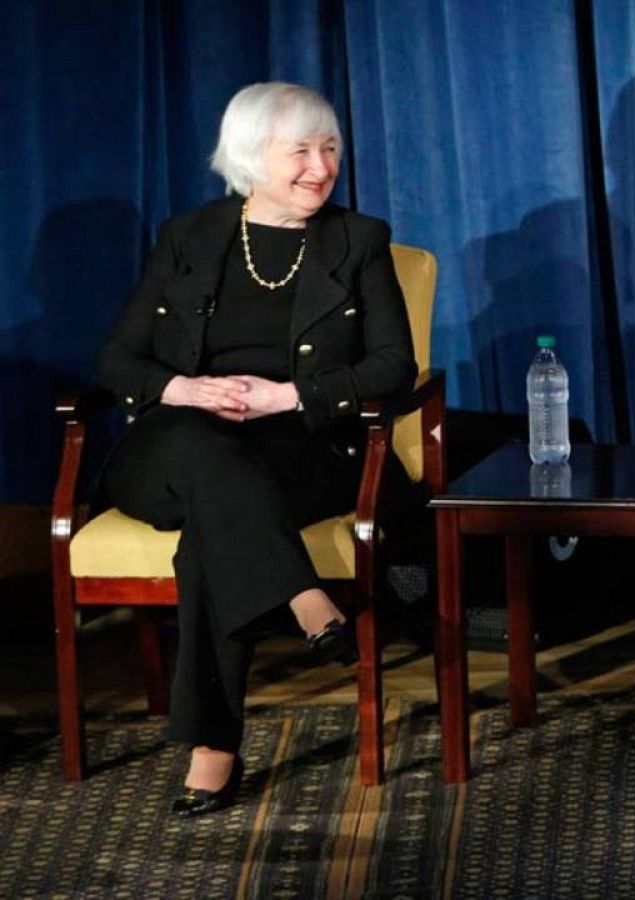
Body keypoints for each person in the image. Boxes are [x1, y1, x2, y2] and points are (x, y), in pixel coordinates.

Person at [98, 82, 417, 816]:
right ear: (248, 158)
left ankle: (213, 749)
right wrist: (183, 390)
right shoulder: (189, 237)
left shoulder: (356, 240)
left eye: (329, 147)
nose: (320, 166)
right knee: (207, 455)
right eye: (299, 151)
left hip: (297, 447)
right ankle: (306, 598)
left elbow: (392, 367)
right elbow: (117, 361)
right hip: (172, 447)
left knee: (220, 516)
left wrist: (289, 397)